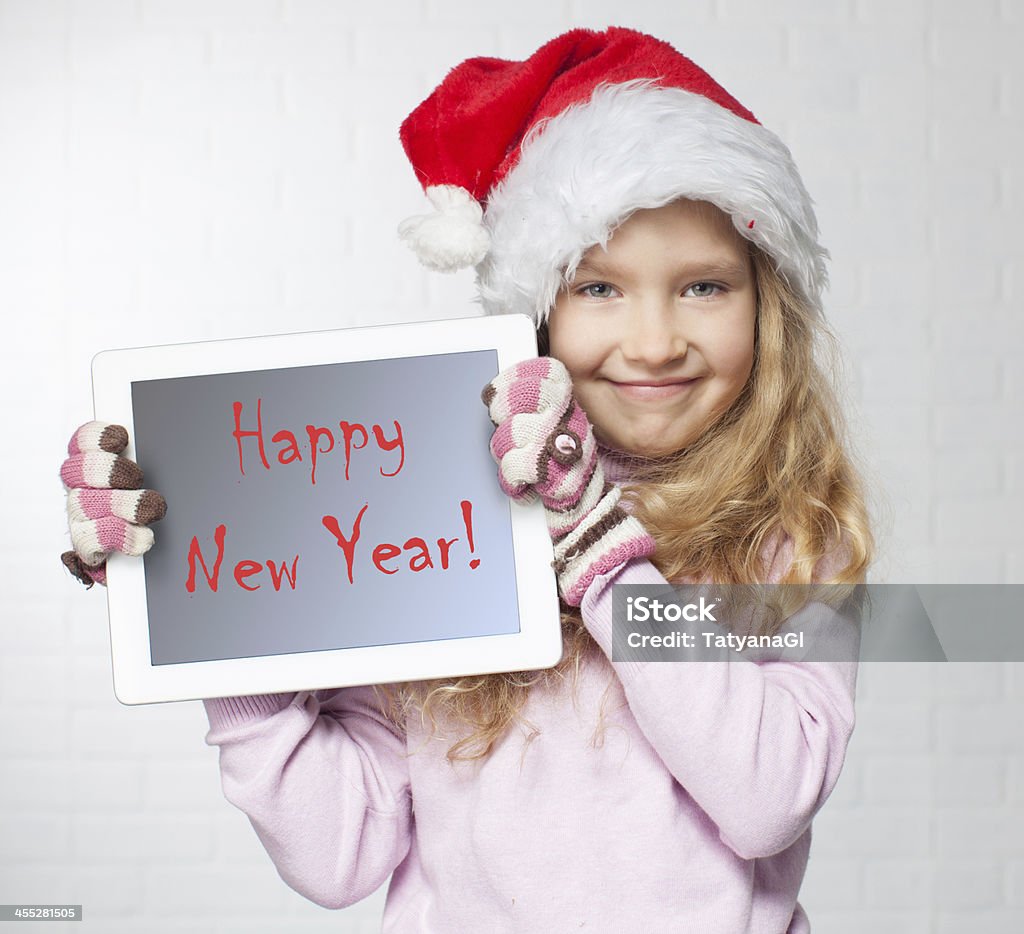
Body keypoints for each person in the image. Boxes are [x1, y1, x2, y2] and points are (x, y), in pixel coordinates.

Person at [60, 27, 873, 932]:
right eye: (599, 288)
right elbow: (343, 857)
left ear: (769, 304)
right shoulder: (434, 517)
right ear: (538, 311)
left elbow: (765, 800)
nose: (653, 341)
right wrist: (215, 617)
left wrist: (599, 548)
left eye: (704, 287)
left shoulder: (794, 528)